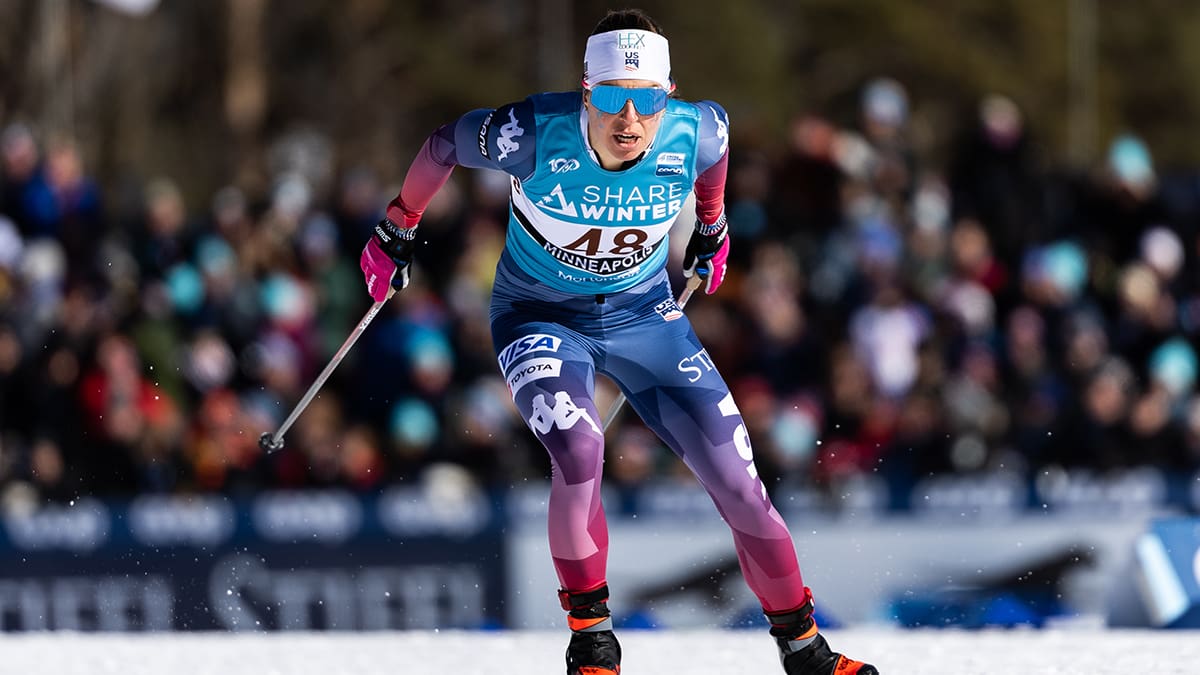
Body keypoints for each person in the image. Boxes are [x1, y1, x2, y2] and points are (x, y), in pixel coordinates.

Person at [358, 9, 879, 675]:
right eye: (610, 97)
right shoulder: (532, 134)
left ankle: (805, 649)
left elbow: (714, 162)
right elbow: (441, 145)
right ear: (585, 91)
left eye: (647, 101)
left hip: (645, 317)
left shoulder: (699, 128)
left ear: (669, 97)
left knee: (741, 486)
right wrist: (397, 225)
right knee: (581, 447)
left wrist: (712, 228)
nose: (628, 119)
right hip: (540, 316)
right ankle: (592, 639)